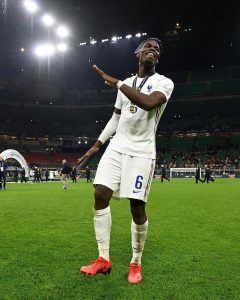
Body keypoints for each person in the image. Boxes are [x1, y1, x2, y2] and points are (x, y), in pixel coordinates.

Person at [77, 38, 174, 284]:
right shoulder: (127, 84)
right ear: (138, 53)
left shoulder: (164, 83)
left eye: (157, 49)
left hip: (142, 151)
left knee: (136, 206)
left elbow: (149, 103)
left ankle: (135, 263)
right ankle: (103, 259)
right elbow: (115, 119)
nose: (152, 50)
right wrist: (97, 145)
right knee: (100, 194)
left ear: (157, 59)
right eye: (148, 47)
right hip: (117, 147)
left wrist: (116, 82)